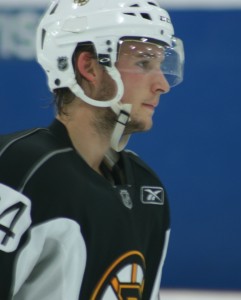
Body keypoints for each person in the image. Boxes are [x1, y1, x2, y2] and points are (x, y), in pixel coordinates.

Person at [0, 0, 184, 299]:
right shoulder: (16, 169)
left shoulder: (147, 189)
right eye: (143, 63)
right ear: (88, 66)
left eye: (162, 64)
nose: (162, 83)